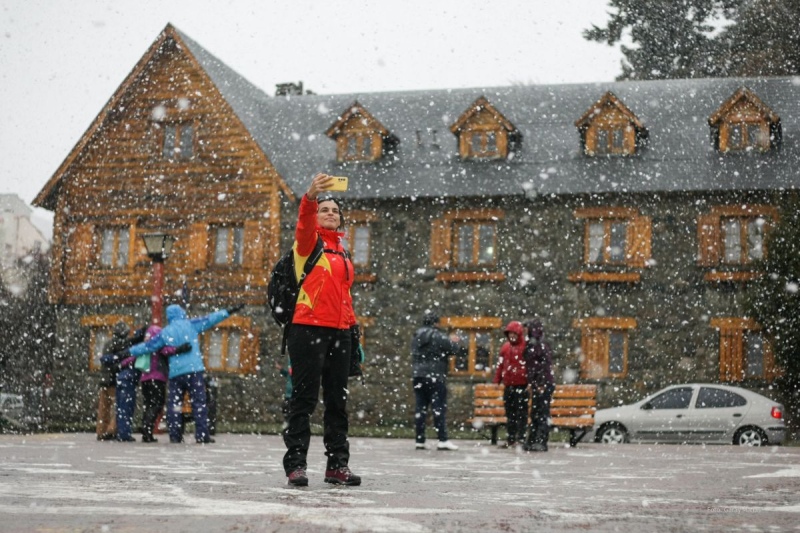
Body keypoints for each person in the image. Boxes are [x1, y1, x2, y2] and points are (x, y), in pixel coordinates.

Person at [282, 173, 360, 487]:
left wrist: (353, 332)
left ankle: (337, 467)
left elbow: (344, 296)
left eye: (334, 210)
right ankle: (296, 465)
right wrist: (311, 197)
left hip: (340, 331)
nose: (330, 213)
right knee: (303, 399)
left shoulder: (343, 252)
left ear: (340, 219)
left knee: (337, 402)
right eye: (324, 209)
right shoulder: (307, 244)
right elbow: (303, 221)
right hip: (307, 329)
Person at [125, 303, 242, 444]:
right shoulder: (191, 325)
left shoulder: (165, 332)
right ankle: (202, 434)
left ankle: (175, 435)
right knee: (199, 403)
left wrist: (128, 352)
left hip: (175, 373)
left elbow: (148, 346)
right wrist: (228, 310)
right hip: (194, 370)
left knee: (174, 406)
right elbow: (210, 319)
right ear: (182, 313)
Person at [411, 310, 462, 451]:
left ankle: (419, 440)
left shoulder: (416, 336)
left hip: (418, 376)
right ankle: (442, 439)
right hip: (435, 376)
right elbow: (454, 349)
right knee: (438, 408)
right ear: (435, 323)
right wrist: (454, 340)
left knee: (420, 409)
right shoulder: (438, 335)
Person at [138, 324, 186, 443]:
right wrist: (179, 348)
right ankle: (147, 430)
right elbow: (166, 351)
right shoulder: (157, 344)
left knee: (149, 404)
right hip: (157, 378)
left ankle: (146, 429)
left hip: (145, 379)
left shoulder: (145, 343)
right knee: (157, 404)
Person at [492, 321, 528, 448]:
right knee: (510, 413)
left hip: (522, 385)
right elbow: (500, 365)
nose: (512, 336)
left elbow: (530, 365)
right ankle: (511, 438)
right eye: (510, 334)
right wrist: (497, 380)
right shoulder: (505, 347)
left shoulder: (525, 346)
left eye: (514, 334)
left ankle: (521, 438)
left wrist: (529, 381)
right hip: (509, 386)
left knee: (521, 413)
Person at [522, 318, 555, 452]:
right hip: (538, 384)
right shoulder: (532, 344)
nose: (524, 330)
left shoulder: (539, 346)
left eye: (526, 327)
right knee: (536, 413)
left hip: (543, 384)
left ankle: (541, 441)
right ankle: (533, 440)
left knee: (541, 413)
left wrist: (541, 383)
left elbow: (544, 366)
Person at [95, 321, 129, 441]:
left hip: (104, 379)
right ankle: (111, 430)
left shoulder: (107, 343)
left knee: (103, 408)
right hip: (113, 380)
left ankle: (101, 431)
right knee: (116, 408)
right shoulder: (121, 344)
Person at [275, 360, 292, 425]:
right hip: (288, 396)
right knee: (285, 408)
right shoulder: (289, 375)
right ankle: (287, 421)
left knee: (290, 409)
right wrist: (280, 368)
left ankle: (289, 422)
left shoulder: (296, 376)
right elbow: (285, 373)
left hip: (293, 396)